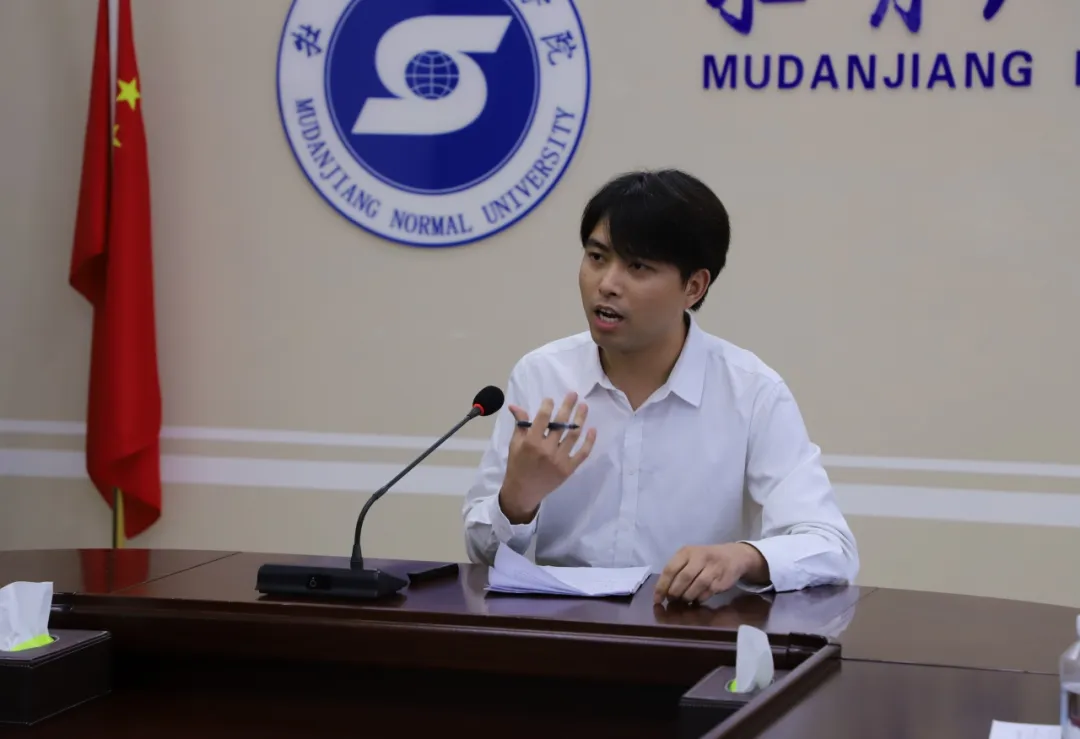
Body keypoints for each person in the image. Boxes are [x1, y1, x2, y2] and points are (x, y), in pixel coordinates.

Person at [462, 169, 859, 604]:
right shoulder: (542, 376)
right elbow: (482, 555)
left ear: (694, 287)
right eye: (597, 257)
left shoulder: (752, 392)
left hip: (690, 632)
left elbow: (830, 547)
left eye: (637, 266)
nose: (606, 284)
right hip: (565, 629)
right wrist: (517, 501)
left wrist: (743, 556)